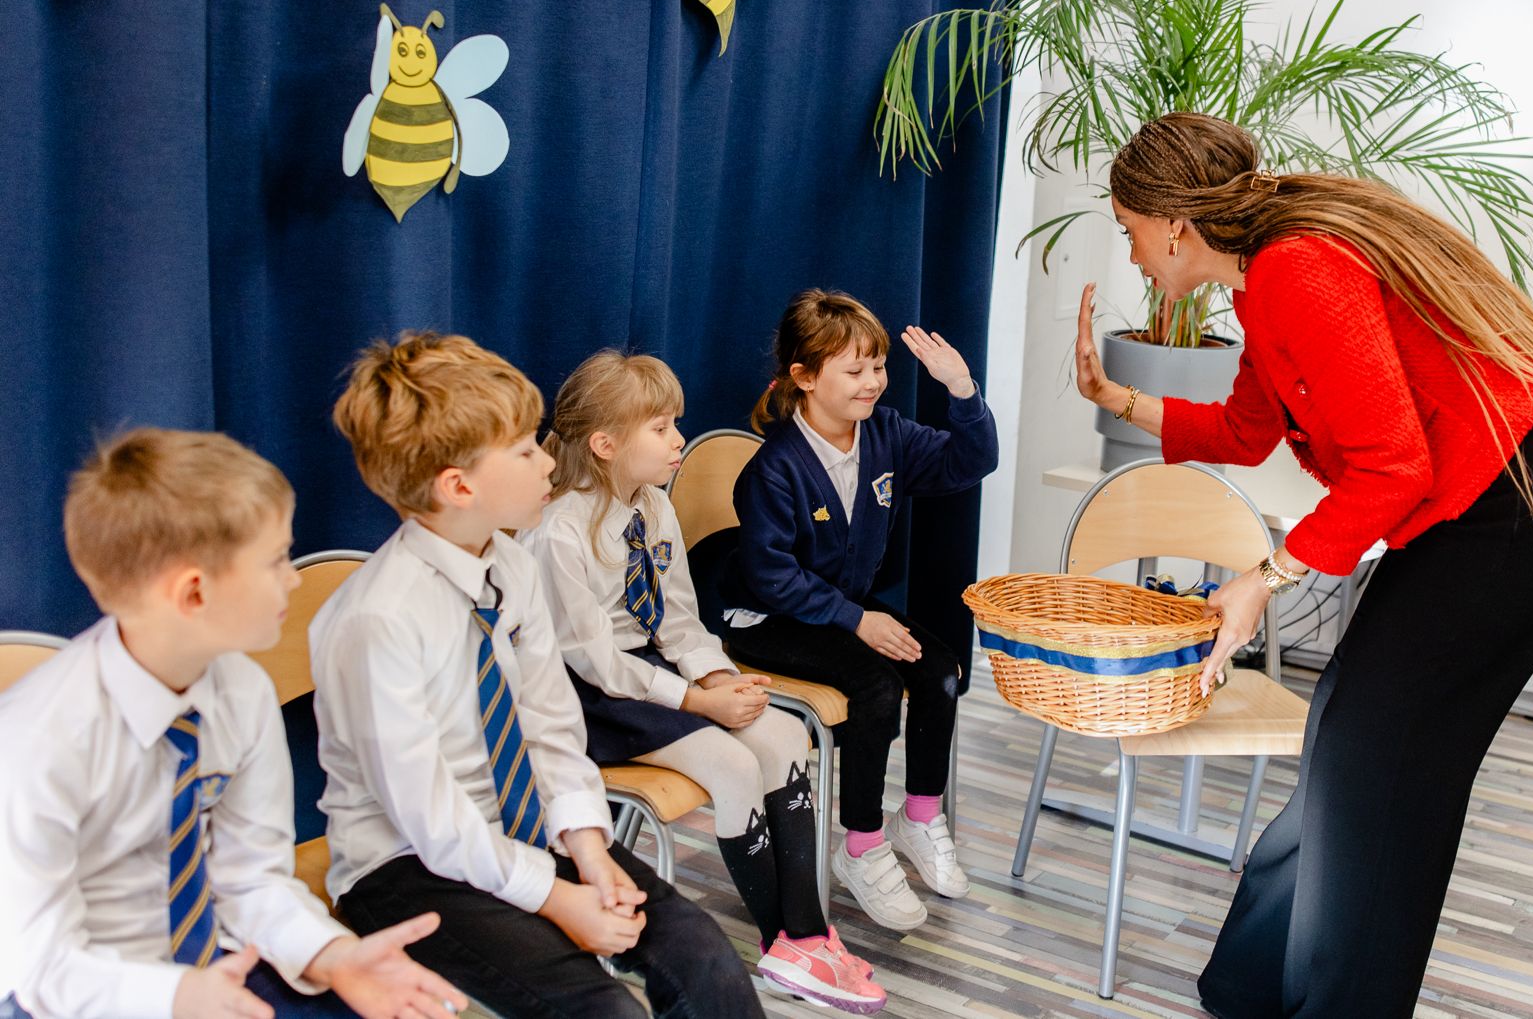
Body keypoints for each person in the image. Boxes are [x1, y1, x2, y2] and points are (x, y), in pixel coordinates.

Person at [1072, 111, 1533, 1018]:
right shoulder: (1263, 283)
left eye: (1129, 231)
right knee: (1348, 740)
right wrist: (1115, 395)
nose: (1132, 256)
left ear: (1175, 226)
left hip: (1525, 499)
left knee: (1382, 763)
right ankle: (1253, 986)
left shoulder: (1296, 270)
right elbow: (1247, 429)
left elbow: (1394, 469)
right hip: (1494, 490)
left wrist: (1263, 579)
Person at [310, 333, 763, 1019]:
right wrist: (559, 899)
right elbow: (432, 819)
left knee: (700, 951)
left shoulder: (512, 566)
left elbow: (551, 728)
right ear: (458, 486)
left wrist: (591, 847)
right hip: (406, 862)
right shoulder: (376, 620)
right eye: (524, 450)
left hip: (522, 825)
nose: (549, 459)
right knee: (602, 1008)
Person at [0, 428, 466, 1019]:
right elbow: (38, 966)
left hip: (214, 958)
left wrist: (333, 955)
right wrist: (174, 998)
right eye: (275, 561)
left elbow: (251, 879)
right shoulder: (36, 741)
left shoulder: (241, 690)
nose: (293, 578)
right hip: (74, 992)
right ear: (194, 594)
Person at [523, 349, 886, 1013]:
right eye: (661, 428)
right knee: (732, 764)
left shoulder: (653, 509)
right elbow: (594, 661)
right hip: (589, 697)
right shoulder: (560, 531)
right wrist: (696, 700)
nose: (678, 441)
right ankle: (784, 943)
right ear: (605, 444)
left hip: (654, 674)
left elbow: (680, 623)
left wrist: (721, 680)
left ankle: (806, 935)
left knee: (783, 735)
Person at [718, 290, 999, 930]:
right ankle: (862, 845)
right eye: (854, 370)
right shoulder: (773, 469)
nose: (872, 381)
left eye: (878, 366)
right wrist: (857, 620)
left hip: (838, 606)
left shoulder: (887, 434)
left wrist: (962, 390)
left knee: (940, 669)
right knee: (876, 687)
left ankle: (919, 816)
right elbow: (771, 578)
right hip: (767, 617)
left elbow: (971, 461)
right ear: (804, 377)